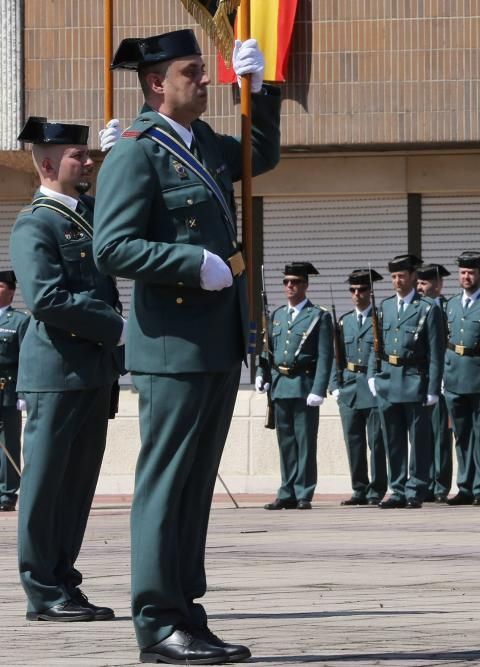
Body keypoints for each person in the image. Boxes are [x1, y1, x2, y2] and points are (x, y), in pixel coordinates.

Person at [93, 29, 279, 663]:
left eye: (207, 71)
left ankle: (185, 612)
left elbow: (259, 157)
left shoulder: (201, 142)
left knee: (195, 486)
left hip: (217, 338)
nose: (206, 80)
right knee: (167, 484)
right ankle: (155, 618)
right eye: (194, 72)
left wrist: (262, 90)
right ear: (156, 84)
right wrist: (188, 261)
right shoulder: (136, 153)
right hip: (173, 342)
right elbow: (111, 247)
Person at [13, 117, 123, 622]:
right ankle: (42, 589)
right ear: (48, 163)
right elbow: (46, 297)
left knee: (77, 486)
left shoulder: (89, 214)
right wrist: (116, 327)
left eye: (88, 153)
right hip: (55, 372)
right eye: (79, 154)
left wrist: (123, 160)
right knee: (44, 488)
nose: (88, 161)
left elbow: (130, 225)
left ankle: (64, 579)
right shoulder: (35, 223)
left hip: (92, 372)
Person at [367, 254, 445, 509]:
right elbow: (375, 345)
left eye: (401, 276)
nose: (397, 281)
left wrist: (433, 387)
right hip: (388, 380)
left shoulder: (427, 308)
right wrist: (372, 375)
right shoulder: (385, 306)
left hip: (414, 381)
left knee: (418, 441)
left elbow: (436, 351)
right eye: (393, 277)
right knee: (393, 440)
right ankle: (398, 489)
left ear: (413, 277)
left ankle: (416, 489)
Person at [256, 262, 332, 511]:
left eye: (296, 282)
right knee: (286, 442)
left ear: (306, 285)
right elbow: (268, 351)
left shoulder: (318, 316)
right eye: (287, 282)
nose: (290, 286)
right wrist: (261, 373)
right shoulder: (276, 315)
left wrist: (319, 389)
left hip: (304, 385)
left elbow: (325, 356)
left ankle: (303, 492)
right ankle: (286, 490)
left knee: (305, 441)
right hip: (280, 386)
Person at [441, 252, 480, 506]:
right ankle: (464, 485)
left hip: (477, 373)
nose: (466, 276)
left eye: (471, 272)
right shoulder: (451, 304)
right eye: (463, 272)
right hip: (454, 374)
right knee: (461, 434)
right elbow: (445, 340)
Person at [330, 269, 388, 506]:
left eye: (362, 290)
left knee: (376, 442)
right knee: (353, 440)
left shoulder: (381, 319)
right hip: (350, 386)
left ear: (370, 292)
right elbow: (336, 355)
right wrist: (335, 385)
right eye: (353, 290)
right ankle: (359, 488)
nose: (357, 294)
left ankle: (377, 489)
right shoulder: (344, 321)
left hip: (372, 386)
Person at [416, 263, 453, 502]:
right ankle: (423, 482)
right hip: (419, 380)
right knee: (421, 435)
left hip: (443, 380)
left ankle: (440, 485)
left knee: (441, 434)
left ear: (438, 286)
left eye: (425, 283)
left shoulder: (449, 308)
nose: (420, 288)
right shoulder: (415, 309)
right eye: (418, 283)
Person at [0, 270, 29, 513]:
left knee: (8, 442)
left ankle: (7, 494)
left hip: (7, 390)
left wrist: (23, 394)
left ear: (11, 291)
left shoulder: (19, 321)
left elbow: (27, 359)